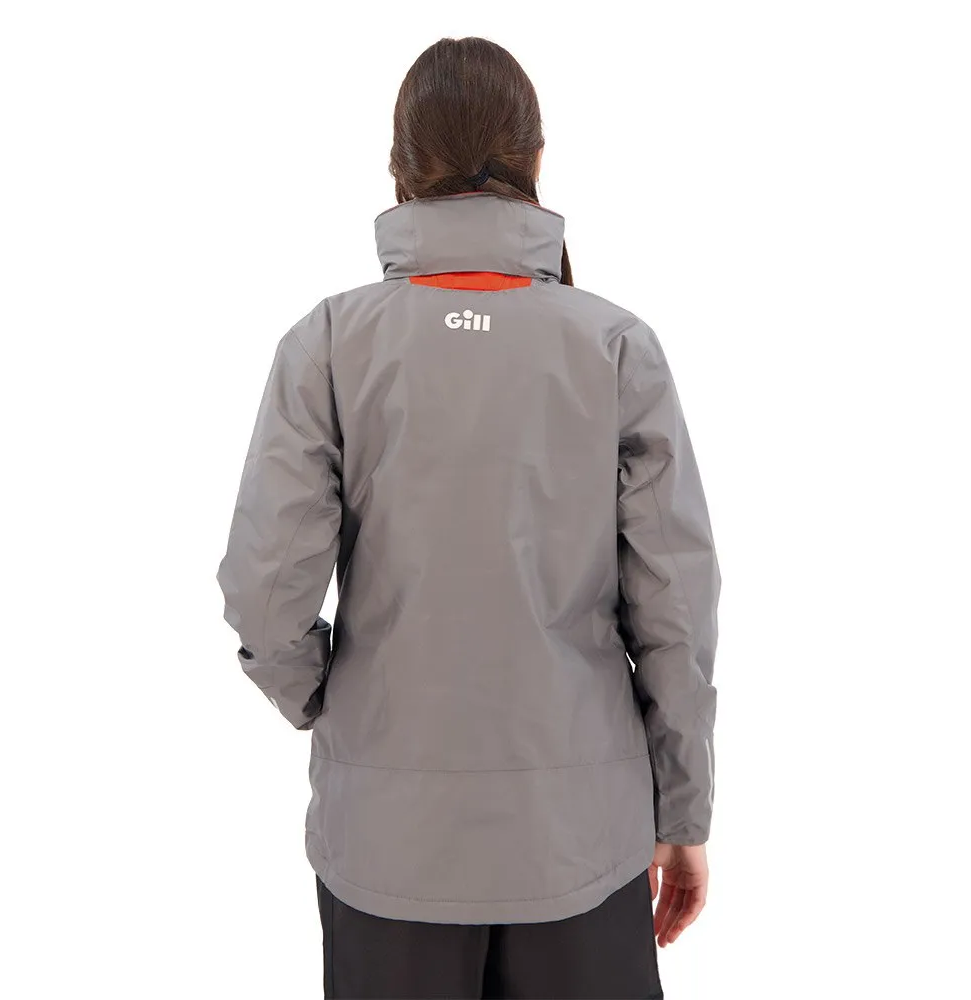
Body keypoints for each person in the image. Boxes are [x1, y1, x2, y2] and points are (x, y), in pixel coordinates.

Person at [217, 36, 720, 1000]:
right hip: (581, 839)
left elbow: (264, 589)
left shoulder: (328, 343)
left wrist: (324, 699)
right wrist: (684, 811)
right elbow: (676, 611)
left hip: (385, 842)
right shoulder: (616, 346)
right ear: (537, 159)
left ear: (399, 167)